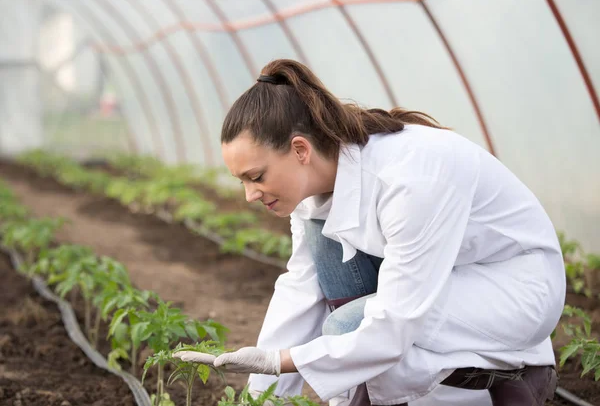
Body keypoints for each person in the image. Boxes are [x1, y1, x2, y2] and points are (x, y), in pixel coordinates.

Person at [174, 59, 565, 406]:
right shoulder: (313, 192)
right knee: (332, 275)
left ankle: (522, 373)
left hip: (518, 289)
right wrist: (259, 398)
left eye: (255, 177)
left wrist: (283, 361)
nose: (249, 195)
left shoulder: (409, 179)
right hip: (457, 274)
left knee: (348, 326)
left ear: (299, 150)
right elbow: (300, 291)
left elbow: (392, 326)